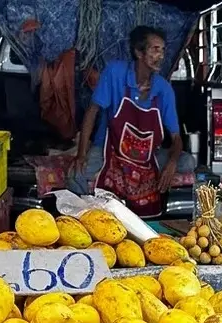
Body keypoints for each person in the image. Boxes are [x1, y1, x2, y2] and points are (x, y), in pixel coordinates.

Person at [69, 26, 194, 217]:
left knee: (188, 161)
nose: (160, 55)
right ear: (138, 52)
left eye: (162, 50)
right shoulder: (115, 73)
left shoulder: (163, 89)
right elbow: (91, 112)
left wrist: (172, 163)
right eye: (155, 49)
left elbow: (176, 137)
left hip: (145, 157)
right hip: (108, 151)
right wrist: (81, 153)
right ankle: (82, 219)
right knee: (75, 175)